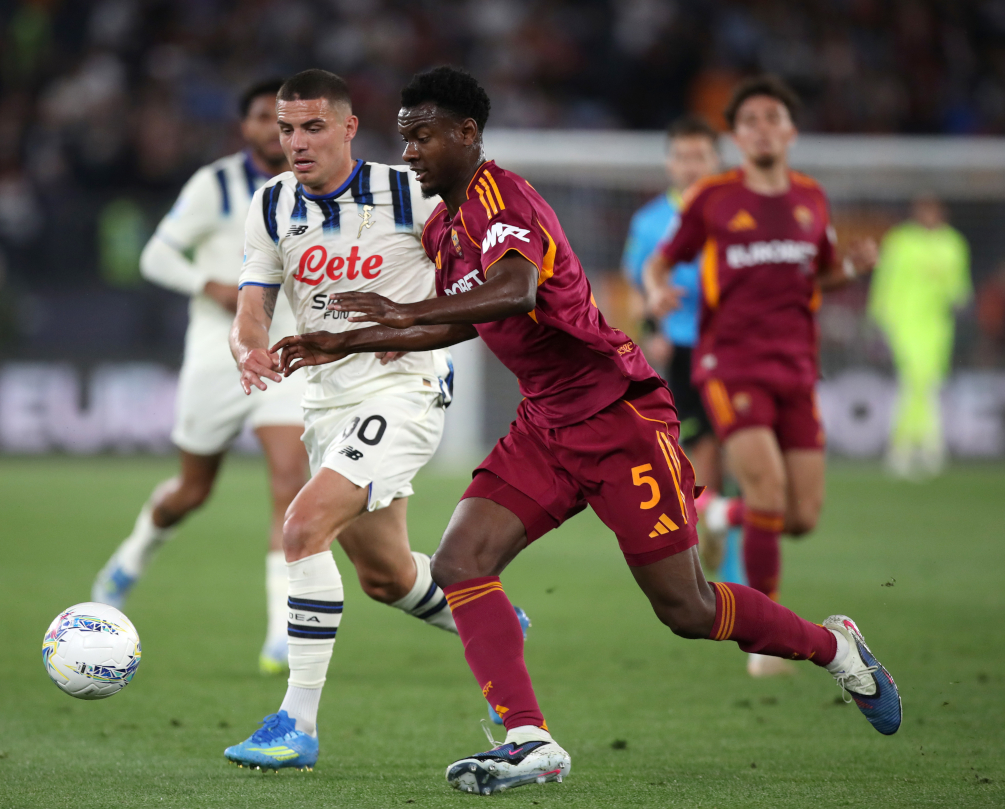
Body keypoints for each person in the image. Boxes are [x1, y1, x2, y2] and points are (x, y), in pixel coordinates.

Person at [275, 67, 901, 796]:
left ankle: (837, 649)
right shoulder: (445, 226)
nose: (408, 152)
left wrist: (397, 314)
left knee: (688, 608)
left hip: (617, 418)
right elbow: (468, 318)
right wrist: (346, 339)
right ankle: (528, 738)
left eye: (422, 136)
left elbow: (516, 290)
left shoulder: (503, 199)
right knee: (461, 560)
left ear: (467, 134)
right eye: (404, 137)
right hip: (545, 422)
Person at [224, 68, 515, 772]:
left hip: (403, 389)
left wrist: (414, 323)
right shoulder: (270, 204)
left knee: (301, 525)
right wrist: (248, 345)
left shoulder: (409, 190)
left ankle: (295, 723)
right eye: (285, 128)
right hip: (326, 399)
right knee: (386, 576)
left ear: (349, 128)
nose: (295, 141)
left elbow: (473, 279)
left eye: (312, 126)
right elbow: (253, 303)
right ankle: (494, 623)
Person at [645, 75, 881, 677]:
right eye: (748, 120)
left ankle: (720, 514)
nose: (761, 128)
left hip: (797, 367)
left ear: (791, 131)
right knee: (769, 492)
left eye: (772, 117)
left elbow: (820, 275)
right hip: (729, 363)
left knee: (800, 516)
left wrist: (850, 271)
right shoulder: (715, 197)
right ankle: (768, 636)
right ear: (736, 136)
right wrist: (655, 291)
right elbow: (661, 259)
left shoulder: (811, 199)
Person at [90, 79, 310, 676]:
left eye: (286, 119)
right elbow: (155, 255)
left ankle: (280, 633)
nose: (276, 129)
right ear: (246, 127)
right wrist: (207, 285)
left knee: (290, 482)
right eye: (266, 117)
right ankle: (130, 558)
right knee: (192, 491)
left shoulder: (318, 187)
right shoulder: (214, 184)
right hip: (219, 353)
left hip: (286, 352)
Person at [621, 115, 726, 568]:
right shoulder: (650, 222)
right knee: (698, 437)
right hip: (681, 343)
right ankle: (708, 517)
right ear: (669, 162)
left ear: (716, 160)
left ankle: (710, 513)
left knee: (724, 437)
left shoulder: (735, 211)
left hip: (733, 342)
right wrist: (653, 333)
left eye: (699, 156)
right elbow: (639, 286)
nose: (691, 165)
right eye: (682, 156)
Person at [870, 195, 971, 479]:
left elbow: (959, 288)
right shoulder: (900, 241)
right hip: (903, 322)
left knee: (925, 384)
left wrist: (959, 302)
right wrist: (878, 317)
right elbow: (884, 281)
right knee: (914, 379)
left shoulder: (953, 244)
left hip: (936, 327)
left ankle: (912, 445)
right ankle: (919, 446)